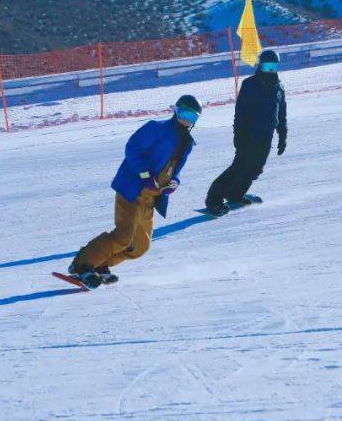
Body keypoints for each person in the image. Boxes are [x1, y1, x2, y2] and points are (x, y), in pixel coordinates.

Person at [68, 95, 202, 288]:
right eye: (185, 114)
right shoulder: (156, 128)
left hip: (151, 198)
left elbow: (175, 171)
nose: (188, 120)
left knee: (140, 246)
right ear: (176, 111)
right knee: (123, 237)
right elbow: (132, 148)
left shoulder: (187, 144)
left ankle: (101, 265)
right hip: (132, 190)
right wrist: (145, 175)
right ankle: (82, 265)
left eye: (193, 117)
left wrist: (174, 182)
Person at [205, 48, 287, 215]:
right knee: (239, 168)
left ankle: (235, 195)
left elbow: (282, 113)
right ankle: (214, 199)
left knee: (256, 168)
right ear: (260, 66)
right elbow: (240, 113)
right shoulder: (250, 85)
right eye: (267, 67)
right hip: (248, 135)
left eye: (274, 67)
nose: (270, 71)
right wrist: (238, 136)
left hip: (266, 137)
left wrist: (282, 135)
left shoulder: (279, 88)